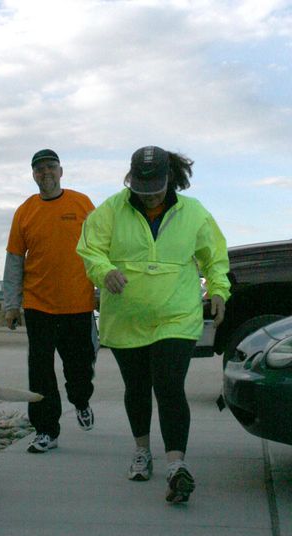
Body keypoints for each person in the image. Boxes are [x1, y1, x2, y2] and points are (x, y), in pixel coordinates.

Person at [77, 145, 230, 502]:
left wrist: (219, 290)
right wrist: (104, 271)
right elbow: (89, 249)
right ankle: (142, 451)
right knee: (137, 387)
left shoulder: (194, 213)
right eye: (142, 191)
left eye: (157, 190)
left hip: (176, 316)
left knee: (170, 386)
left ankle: (176, 465)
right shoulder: (111, 210)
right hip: (126, 318)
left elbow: (214, 256)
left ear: (170, 180)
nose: (150, 198)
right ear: (131, 182)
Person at [4, 149, 98, 454]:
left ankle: (81, 401)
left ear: (61, 171)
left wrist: (104, 288)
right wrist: (11, 304)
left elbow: (101, 248)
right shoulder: (24, 211)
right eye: (39, 169)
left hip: (78, 304)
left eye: (50, 167)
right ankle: (46, 430)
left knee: (80, 368)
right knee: (40, 372)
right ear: (33, 175)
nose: (46, 173)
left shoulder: (82, 203)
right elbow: (15, 261)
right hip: (38, 305)